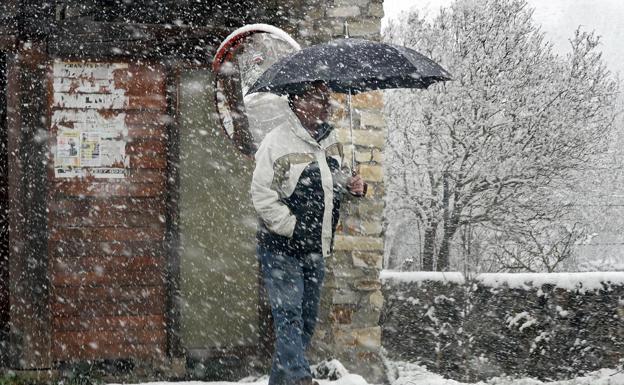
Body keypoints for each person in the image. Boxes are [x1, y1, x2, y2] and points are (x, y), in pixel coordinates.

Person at [250, 80, 365, 385]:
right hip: (281, 248)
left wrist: (354, 186)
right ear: (297, 102)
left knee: (307, 322)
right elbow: (262, 195)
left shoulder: (332, 140)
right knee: (289, 315)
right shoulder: (276, 142)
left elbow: (333, 184)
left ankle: (281, 380)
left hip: (316, 247)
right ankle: (301, 379)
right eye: (317, 99)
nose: (325, 106)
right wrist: (294, 228)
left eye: (327, 99)